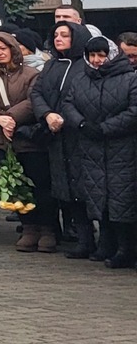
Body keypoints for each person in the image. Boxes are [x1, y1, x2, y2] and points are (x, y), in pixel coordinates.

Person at [0, 30, 47, 252]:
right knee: (15, 186)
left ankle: (48, 229)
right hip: (1, 140)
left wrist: (11, 118)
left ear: (13, 50)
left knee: (39, 185)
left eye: (3, 49)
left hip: (28, 139)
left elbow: (33, 99)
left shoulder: (31, 74)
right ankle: (29, 228)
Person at [68, 34, 137, 268]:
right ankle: (105, 244)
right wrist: (82, 124)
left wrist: (105, 128)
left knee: (122, 198)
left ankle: (126, 248)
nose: (97, 60)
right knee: (99, 197)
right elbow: (68, 104)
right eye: (92, 55)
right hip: (91, 148)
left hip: (122, 147)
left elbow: (134, 111)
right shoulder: (80, 79)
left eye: (101, 55)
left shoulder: (130, 78)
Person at [33, 20, 91, 255]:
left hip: (79, 135)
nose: (58, 39)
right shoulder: (51, 66)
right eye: (56, 35)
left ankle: (94, 239)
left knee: (84, 190)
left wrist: (66, 118)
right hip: (56, 137)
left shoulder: (86, 66)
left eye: (64, 35)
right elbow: (36, 92)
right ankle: (82, 241)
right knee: (66, 190)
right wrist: (46, 114)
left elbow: (83, 98)